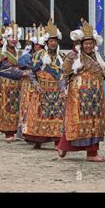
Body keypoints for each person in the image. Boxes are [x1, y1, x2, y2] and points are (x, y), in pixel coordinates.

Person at [57, 19, 105, 162]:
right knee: (76, 122)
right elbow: (64, 75)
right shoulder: (73, 57)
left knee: (94, 124)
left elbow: (103, 76)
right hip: (78, 96)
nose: (88, 46)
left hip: (95, 97)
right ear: (81, 44)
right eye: (86, 43)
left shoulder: (98, 58)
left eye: (91, 43)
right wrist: (63, 89)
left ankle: (92, 154)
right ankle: (64, 145)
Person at [23, 20, 65, 149]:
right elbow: (31, 72)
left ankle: (58, 141)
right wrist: (36, 85)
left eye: (55, 41)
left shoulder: (61, 56)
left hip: (56, 91)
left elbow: (64, 75)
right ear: (46, 42)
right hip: (42, 90)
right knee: (40, 114)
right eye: (51, 41)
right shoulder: (39, 55)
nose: (53, 43)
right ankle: (37, 139)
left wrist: (63, 89)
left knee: (57, 116)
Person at [0, 21, 28, 142]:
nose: (14, 39)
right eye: (12, 37)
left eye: (16, 37)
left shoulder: (20, 53)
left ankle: (18, 131)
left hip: (18, 85)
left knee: (18, 108)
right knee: (6, 108)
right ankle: (8, 132)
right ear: (6, 38)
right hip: (5, 84)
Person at [16, 24, 45, 140]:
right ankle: (24, 131)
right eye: (37, 44)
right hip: (28, 84)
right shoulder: (26, 56)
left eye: (41, 45)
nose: (39, 46)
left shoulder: (45, 56)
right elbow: (21, 67)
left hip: (40, 84)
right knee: (26, 106)